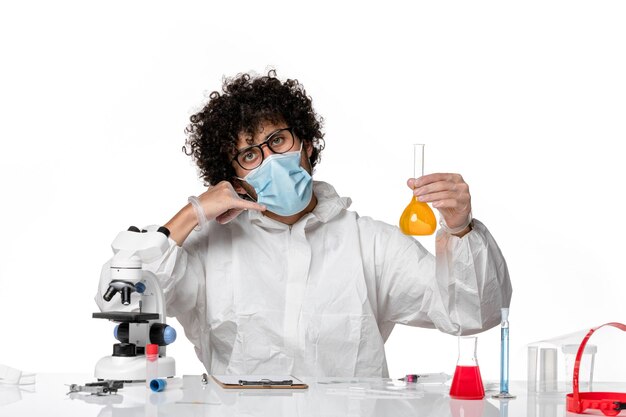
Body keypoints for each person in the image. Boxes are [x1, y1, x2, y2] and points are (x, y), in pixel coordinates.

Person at [97, 70, 512, 377]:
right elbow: (121, 302)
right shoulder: (208, 248)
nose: (270, 161)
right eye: (249, 155)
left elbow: (472, 314)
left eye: (277, 141)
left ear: (307, 144)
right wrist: (192, 214)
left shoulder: (370, 244)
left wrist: (459, 227)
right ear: (231, 175)